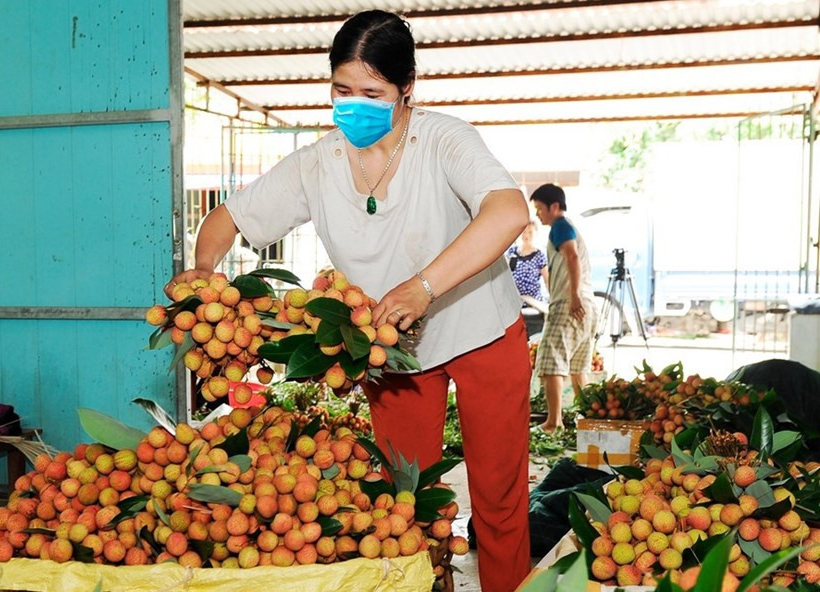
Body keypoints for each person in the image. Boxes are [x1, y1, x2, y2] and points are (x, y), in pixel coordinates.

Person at [165, 10, 532, 590]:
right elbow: (225, 219)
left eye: (372, 92)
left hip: (481, 330)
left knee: (499, 497)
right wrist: (205, 274)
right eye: (342, 90)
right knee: (405, 502)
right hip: (391, 350)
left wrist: (423, 285)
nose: (353, 104)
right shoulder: (320, 163)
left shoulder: (444, 141)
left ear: (407, 88)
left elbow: (509, 211)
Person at [530, 184, 596, 433]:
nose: (537, 214)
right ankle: (589, 419)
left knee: (550, 362)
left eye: (539, 208)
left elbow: (572, 257)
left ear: (554, 207)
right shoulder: (568, 228)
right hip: (586, 305)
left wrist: (573, 296)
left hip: (570, 304)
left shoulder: (560, 226)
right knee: (578, 367)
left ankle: (554, 421)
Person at [507, 221, 549, 337]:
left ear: (536, 234)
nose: (526, 235)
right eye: (524, 232)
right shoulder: (512, 252)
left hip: (532, 302)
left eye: (530, 232)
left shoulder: (539, 255)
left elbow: (547, 280)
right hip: (515, 301)